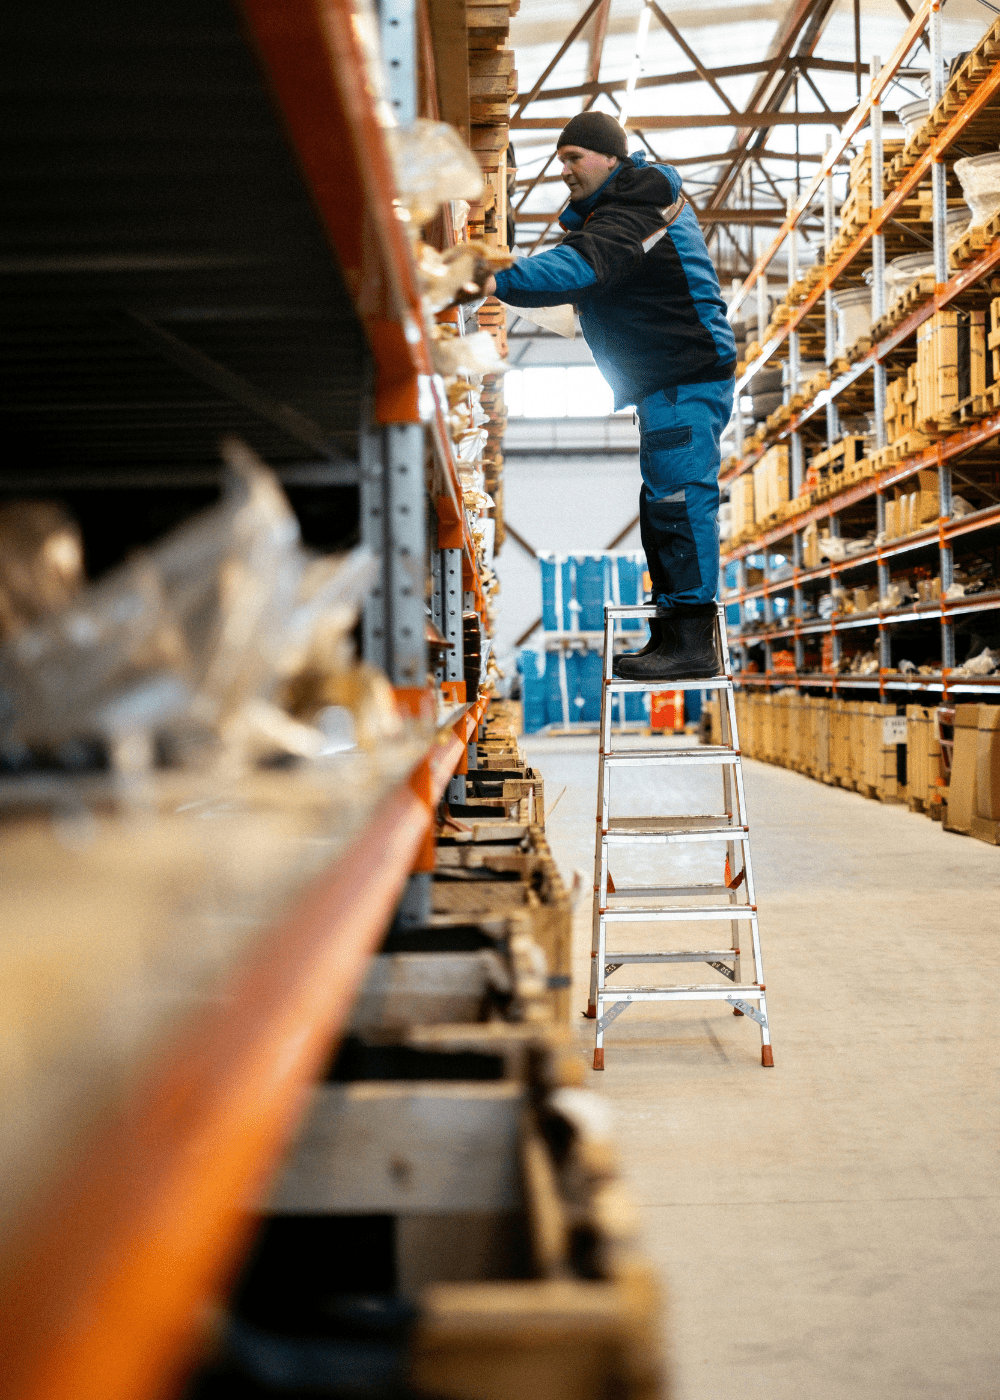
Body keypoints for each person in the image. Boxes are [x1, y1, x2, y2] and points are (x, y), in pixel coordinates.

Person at [486, 111, 736, 680]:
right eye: (562, 161)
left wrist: (492, 278)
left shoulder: (643, 199)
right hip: (663, 380)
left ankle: (695, 644)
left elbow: (584, 264)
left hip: (686, 373)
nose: (565, 171)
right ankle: (671, 633)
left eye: (574, 158)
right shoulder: (615, 210)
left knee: (680, 499)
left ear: (609, 157)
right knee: (660, 504)